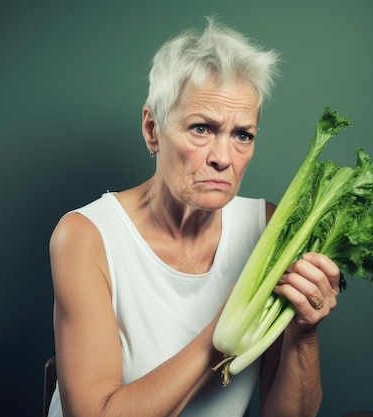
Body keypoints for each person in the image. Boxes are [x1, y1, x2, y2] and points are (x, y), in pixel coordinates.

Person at [46, 18, 342, 417]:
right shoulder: (86, 236)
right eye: (202, 128)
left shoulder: (268, 230)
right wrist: (227, 328)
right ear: (153, 129)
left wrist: (303, 334)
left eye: (242, 135)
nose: (223, 158)